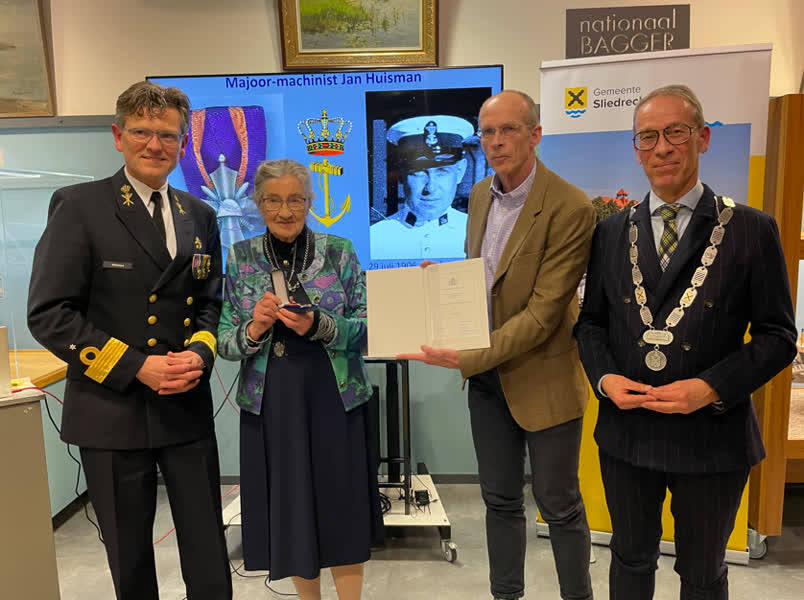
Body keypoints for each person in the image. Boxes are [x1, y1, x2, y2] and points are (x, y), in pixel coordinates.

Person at [574, 84, 797, 599]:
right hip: (628, 434)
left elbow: (778, 336)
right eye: (648, 137)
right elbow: (590, 324)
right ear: (636, 149)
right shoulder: (610, 232)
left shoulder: (752, 229)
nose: (662, 148)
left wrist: (712, 387)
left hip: (713, 437)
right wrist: (605, 379)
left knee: (702, 572)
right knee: (629, 560)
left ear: (703, 138)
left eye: (675, 132)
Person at [27, 81, 231, 599]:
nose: (154, 145)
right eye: (142, 132)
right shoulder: (80, 207)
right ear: (118, 136)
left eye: (168, 135)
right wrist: (136, 366)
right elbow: (50, 313)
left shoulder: (199, 215)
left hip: (184, 406)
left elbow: (210, 303)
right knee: (131, 560)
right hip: (111, 411)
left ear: (183, 144)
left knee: (209, 554)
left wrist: (199, 354)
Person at [399, 90, 596, 600]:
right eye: (488, 132)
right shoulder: (481, 195)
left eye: (509, 129)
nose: (497, 141)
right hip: (489, 384)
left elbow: (543, 314)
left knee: (559, 506)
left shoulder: (570, 206)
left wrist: (469, 355)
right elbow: (487, 279)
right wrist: (445, 283)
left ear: (535, 134)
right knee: (500, 503)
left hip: (544, 379)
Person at [217, 158, 382, 600]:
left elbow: (371, 326)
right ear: (258, 204)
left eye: (295, 200)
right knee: (292, 513)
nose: (285, 211)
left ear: (310, 202)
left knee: (342, 510)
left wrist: (321, 325)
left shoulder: (339, 251)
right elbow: (225, 342)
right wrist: (255, 327)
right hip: (273, 403)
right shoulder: (241, 257)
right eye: (273, 200)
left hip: (336, 398)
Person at [370, 114, 473, 260]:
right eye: (418, 172)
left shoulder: (478, 234)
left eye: (442, 171)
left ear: (460, 171)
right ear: (401, 174)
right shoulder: (376, 239)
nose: (430, 188)